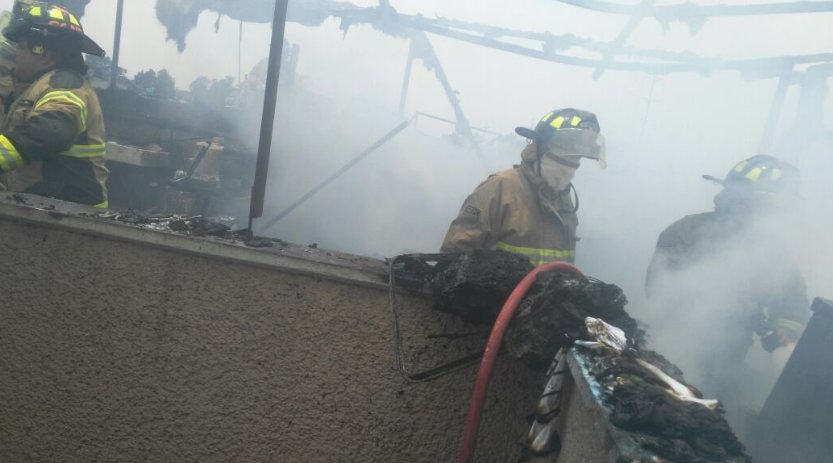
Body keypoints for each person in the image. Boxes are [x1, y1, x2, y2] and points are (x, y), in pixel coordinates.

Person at [646, 155, 809, 424]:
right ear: (753, 202)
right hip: (676, 356)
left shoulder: (769, 248)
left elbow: (792, 296)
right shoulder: (685, 232)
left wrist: (786, 328)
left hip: (730, 361)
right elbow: (661, 292)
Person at [440, 108, 606, 266]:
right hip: (499, 296)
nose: (570, 166)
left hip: (546, 296)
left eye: (576, 160)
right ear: (539, 148)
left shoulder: (564, 199)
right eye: (564, 156)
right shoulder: (501, 187)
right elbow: (455, 254)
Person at [0, 2, 109, 208]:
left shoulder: (66, 85)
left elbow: (52, 131)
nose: (17, 54)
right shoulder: (39, 85)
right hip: (49, 209)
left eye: (22, 47)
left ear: (45, 54)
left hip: (72, 219)